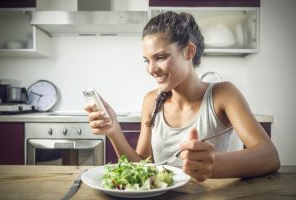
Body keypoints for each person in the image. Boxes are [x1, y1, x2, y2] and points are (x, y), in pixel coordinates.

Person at [85, 11, 280, 182]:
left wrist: (214, 164)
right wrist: (114, 132)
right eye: (147, 60)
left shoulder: (223, 94)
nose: (151, 69)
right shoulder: (151, 101)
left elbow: (270, 156)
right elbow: (142, 168)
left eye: (160, 57)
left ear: (188, 51)